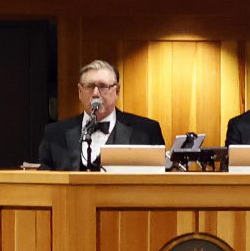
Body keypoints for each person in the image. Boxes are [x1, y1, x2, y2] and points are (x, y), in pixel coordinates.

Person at [37, 59, 165, 171]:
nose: (96, 93)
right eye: (90, 86)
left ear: (117, 91)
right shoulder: (54, 133)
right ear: (80, 92)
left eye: (103, 87)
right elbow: (45, 183)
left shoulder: (147, 131)